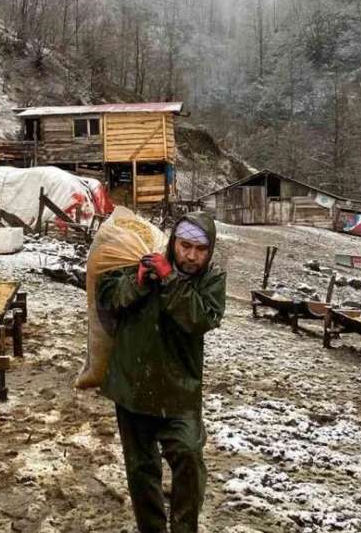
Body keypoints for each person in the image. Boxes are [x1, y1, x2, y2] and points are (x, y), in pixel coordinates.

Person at [96, 212, 226, 533]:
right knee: (141, 471)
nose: (191, 256)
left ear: (210, 252)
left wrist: (170, 280)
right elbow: (107, 297)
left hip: (179, 391)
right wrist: (138, 280)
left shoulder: (211, 280)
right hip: (132, 387)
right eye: (185, 246)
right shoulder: (140, 260)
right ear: (173, 242)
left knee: (188, 458)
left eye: (200, 250)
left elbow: (199, 319)